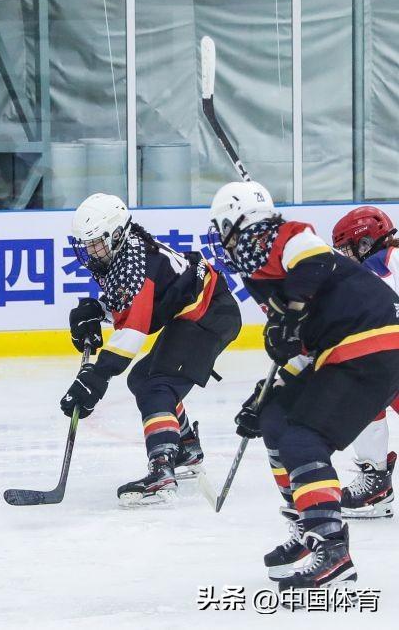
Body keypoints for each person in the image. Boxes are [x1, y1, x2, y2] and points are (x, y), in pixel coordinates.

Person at [210, 181, 399, 590]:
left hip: (370, 343)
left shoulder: (283, 236)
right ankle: (308, 523)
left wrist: (287, 312)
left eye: (221, 229)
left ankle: (332, 548)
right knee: (275, 417)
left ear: (236, 224)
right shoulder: (261, 272)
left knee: (301, 439)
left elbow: (315, 260)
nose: (219, 239)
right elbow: (298, 348)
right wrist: (267, 391)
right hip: (345, 348)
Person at [60, 193, 241, 504]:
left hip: (209, 314)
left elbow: (133, 332)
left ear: (116, 234)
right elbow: (136, 307)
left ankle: (162, 468)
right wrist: (97, 311)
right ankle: (184, 447)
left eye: (96, 243)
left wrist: (97, 377)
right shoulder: (125, 253)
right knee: (142, 378)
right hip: (198, 313)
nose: (90, 250)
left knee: (157, 385)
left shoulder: (135, 266)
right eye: (86, 244)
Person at [331, 205, 399, 518]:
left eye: (348, 248)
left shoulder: (377, 263)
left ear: (365, 242)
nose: (347, 256)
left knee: (359, 392)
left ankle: (376, 484)